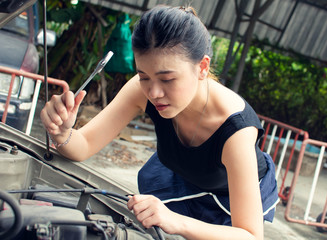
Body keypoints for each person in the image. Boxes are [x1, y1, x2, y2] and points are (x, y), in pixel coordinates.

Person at [41, 5, 278, 240]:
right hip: (183, 176)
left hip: (228, 199)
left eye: (167, 79)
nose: (154, 92)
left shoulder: (235, 131)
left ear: (202, 68)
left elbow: (249, 235)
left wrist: (175, 221)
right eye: (144, 76)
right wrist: (61, 132)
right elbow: (83, 145)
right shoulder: (141, 90)